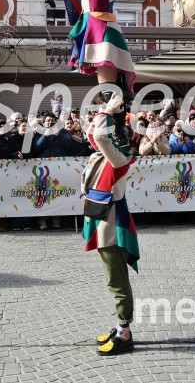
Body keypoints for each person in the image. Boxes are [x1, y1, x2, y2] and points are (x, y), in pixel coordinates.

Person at [67, 0, 136, 147]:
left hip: (102, 33)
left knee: (108, 89)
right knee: (109, 88)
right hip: (100, 31)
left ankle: (118, 132)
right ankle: (120, 132)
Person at [83, 94, 139, 356]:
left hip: (112, 227)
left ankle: (124, 332)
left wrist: (107, 112)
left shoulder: (120, 158)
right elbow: (98, 137)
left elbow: (102, 137)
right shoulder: (102, 156)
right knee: (113, 278)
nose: (92, 133)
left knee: (116, 281)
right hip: (101, 221)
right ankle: (120, 328)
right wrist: (111, 115)